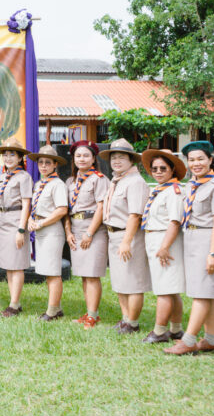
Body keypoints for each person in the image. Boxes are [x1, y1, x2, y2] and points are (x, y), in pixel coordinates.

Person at [164, 141, 214, 355]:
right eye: (191, 160)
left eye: (201, 158)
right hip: (191, 238)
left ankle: (189, 340)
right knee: (205, 292)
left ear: (210, 160)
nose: (196, 163)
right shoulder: (191, 184)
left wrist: (213, 252)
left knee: (202, 293)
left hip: (206, 242)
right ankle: (211, 339)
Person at [99, 138, 151, 333]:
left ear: (131, 160)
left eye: (122, 157)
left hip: (129, 236)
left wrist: (126, 242)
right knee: (120, 281)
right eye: (113, 158)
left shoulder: (135, 182)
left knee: (133, 282)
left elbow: (135, 215)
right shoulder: (117, 181)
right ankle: (125, 319)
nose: (117, 161)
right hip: (114, 236)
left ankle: (133, 323)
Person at [139, 148, 187, 343]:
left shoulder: (174, 191)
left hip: (165, 240)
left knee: (165, 289)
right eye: (154, 168)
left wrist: (165, 247)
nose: (158, 172)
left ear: (172, 170)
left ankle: (159, 331)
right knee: (170, 288)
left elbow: (174, 222)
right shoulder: (160, 190)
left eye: (163, 168)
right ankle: (176, 329)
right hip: (155, 238)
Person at [64, 141, 108, 329]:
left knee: (92, 275)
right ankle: (89, 313)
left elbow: (101, 207)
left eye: (86, 155)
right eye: (78, 156)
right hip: (76, 228)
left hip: (93, 230)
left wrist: (90, 233)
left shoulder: (99, 179)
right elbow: (66, 210)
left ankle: (93, 315)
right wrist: (68, 232)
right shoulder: (70, 181)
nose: (82, 159)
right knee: (84, 274)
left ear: (93, 158)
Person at [27, 144, 69, 321]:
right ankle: (55, 307)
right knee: (47, 271)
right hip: (40, 228)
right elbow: (35, 207)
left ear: (55, 165)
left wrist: (41, 223)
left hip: (51, 230)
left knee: (53, 273)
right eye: (41, 162)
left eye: (48, 163)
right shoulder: (39, 184)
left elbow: (61, 210)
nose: (43, 166)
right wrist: (31, 220)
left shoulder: (57, 185)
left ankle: (52, 311)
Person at [0, 138, 32, 317]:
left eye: (12, 155)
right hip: (3, 220)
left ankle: (14, 305)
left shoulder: (23, 177)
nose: (8, 158)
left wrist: (21, 229)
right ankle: (14, 301)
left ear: (20, 158)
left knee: (17, 264)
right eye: (5, 155)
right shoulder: (2, 177)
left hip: (16, 221)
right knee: (9, 265)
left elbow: (26, 204)